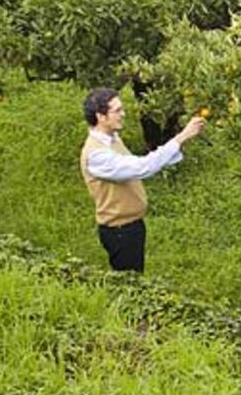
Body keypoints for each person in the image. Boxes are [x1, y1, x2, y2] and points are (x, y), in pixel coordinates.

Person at [79, 87, 205, 273]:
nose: (123, 114)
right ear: (101, 117)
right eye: (117, 111)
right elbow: (143, 167)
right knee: (130, 284)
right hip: (120, 231)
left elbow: (144, 164)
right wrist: (182, 136)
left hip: (130, 225)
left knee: (135, 278)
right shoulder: (97, 155)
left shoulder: (111, 138)